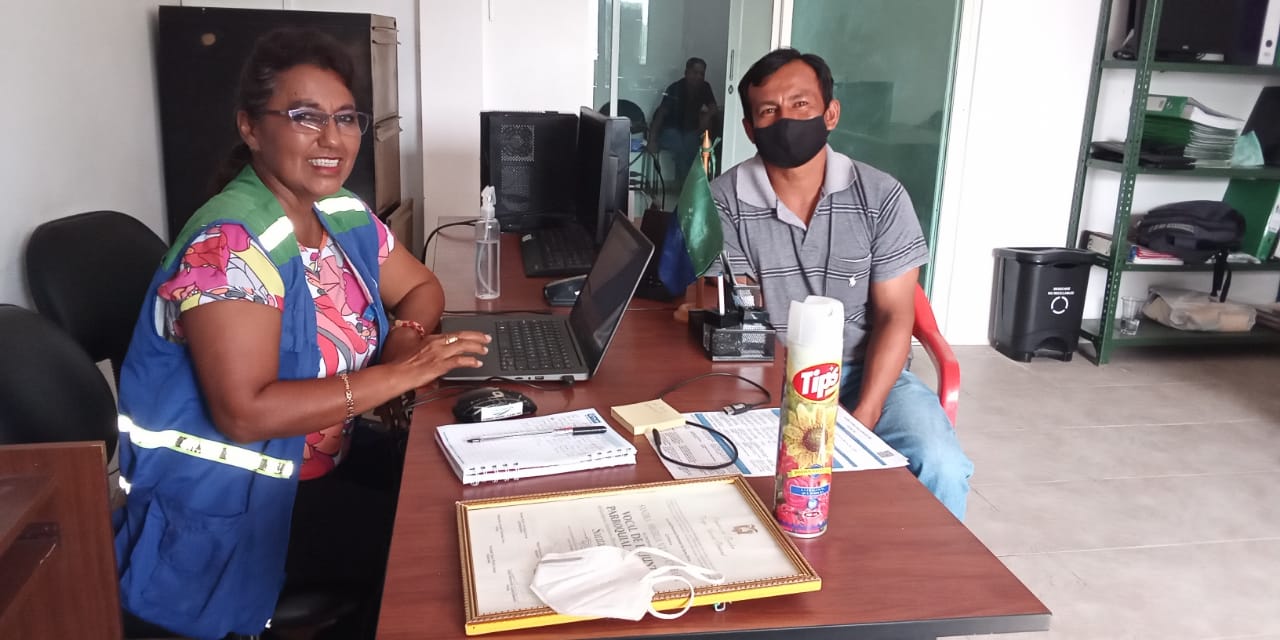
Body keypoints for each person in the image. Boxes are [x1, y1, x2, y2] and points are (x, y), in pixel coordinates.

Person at [112, 28, 490, 640]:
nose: (332, 138)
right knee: (436, 553)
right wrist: (396, 376)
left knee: (462, 481)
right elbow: (245, 413)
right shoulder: (229, 247)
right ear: (250, 128)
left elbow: (421, 287)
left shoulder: (338, 211)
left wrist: (406, 335)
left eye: (345, 118)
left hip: (318, 462)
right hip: (232, 506)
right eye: (305, 117)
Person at [710, 48, 973, 520]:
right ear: (749, 128)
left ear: (830, 113)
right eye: (768, 111)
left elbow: (895, 315)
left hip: (864, 372)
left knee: (942, 464)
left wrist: (863, 418)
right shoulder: (723, 202)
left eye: (800, 104)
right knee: (731, 476)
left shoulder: (881, 197)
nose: (785, 120)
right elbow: (739, 315)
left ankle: (931, 567)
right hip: (770, 378)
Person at [648, 57, 718, 184]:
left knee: (692, 144)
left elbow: (713, 107)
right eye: (695, 72)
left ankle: (687, 185)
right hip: (669, 129)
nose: (698, 77)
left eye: (701, 74)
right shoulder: (675, 88)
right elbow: (660, 115)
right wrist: (652, 139)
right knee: (681, 146)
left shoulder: (705, 87)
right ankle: (687, 185)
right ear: (686, 73)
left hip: (689, 131)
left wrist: (706, 116)